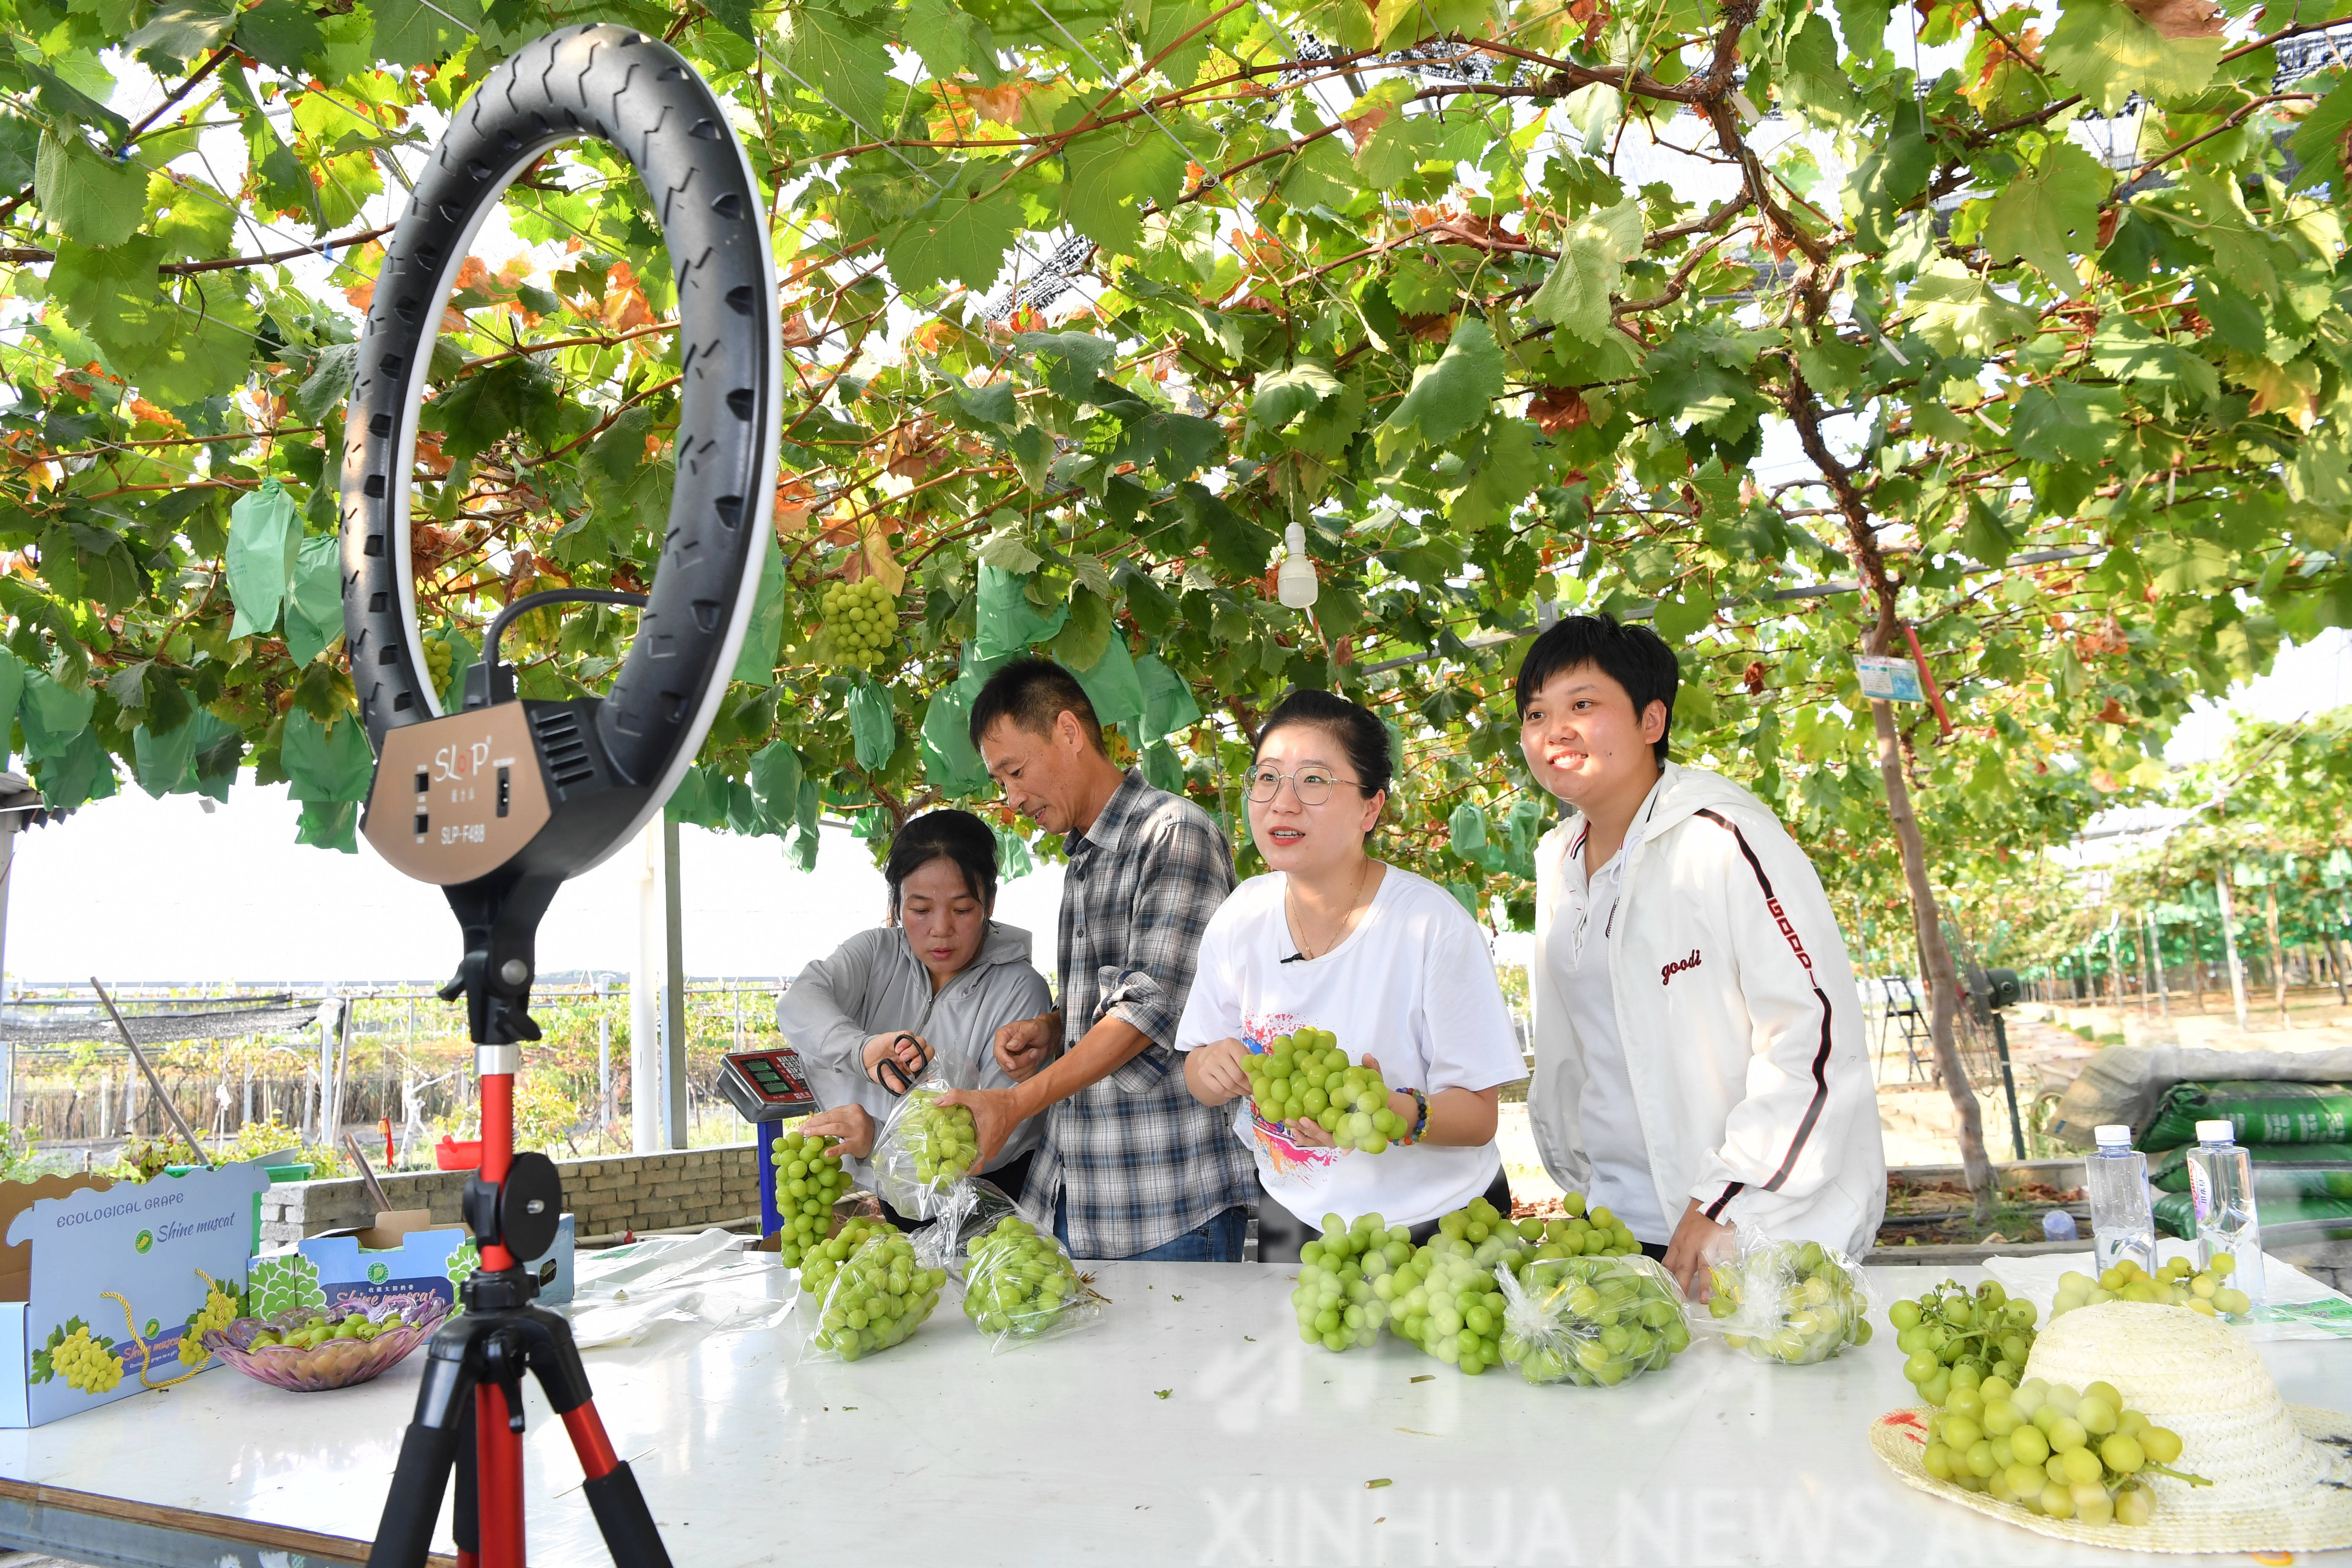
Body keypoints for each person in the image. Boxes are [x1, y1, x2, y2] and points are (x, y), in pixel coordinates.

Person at [1519, 613, 1886, 1297]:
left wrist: (1725, 1198)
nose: (1553, 730)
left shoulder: (1722, 838)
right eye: (1536, 712)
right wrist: (1580, 1185)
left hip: (1741, 1226)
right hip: (1616, 1226)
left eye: (1582, 704)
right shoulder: (1557, 861)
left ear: (1651, 720)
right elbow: (1573, 1048)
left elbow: (1813, 1031)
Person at [1174, 689, 1525, 1261]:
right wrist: (1210, 1068)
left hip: (1438, 1225)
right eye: (1266, 779)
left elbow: (1479, 1115)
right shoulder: (1242, 916)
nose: (1281, 804)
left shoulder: (1431, 926)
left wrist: (1392, 1113)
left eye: (1313, 781)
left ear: (1371, 808)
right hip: (1296, 1219)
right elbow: (1196, 1064)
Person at [936, 658, 1256, 1262]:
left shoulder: (1172, 835)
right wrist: (1054, 1028)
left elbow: (1146, 1014)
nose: (1011, 798)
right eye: (1000, 782)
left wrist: (1014, 1103)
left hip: (1168, 1203)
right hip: (1077, 1195)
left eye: (1015, 772)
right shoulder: (1085, 858)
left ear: (1068, 732)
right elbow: (1112, 996)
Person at [779, 809, 1054, 1227]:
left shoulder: (1021, 991)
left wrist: (876, 1138)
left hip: (987, 1218)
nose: (941, 929)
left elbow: (986, 1142)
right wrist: (862, 1050)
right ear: (898, 903)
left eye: (962, 909)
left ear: (990, 903)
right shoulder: (875, 955)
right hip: (891, 1201)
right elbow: (799, 1002)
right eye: (920, 908)